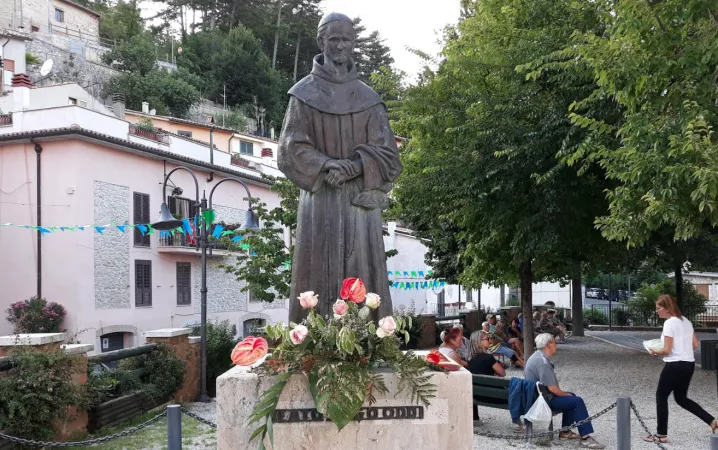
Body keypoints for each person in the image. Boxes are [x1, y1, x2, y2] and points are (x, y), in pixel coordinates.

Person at [279, 12, 403, 323]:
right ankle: (312, 343)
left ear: (353, 44)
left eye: (346, 39)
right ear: (321, 42)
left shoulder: (368, 98)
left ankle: (369, 342)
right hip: (320, 200)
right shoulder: (302, 94)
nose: (340, 45)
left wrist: (356, 165)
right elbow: (290, 149)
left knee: (363, 270)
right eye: (333, 39)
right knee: (317, 270)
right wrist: (327, 164)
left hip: (359, 204)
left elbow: (389, 156)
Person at [643, 295, 718, 444]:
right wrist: (680, 347)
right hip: (688, 364)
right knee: (681, 398)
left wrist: (655, 351)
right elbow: (695, 345)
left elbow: (668, 349)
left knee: (661, 396)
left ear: (668, 308)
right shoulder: (686, 321)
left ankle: (661, 434)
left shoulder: (669, 323)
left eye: (659, 308)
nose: (657, 311)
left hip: (674, 365)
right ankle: (712, 421)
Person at [524, 333, 606, 449]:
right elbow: (552, 388)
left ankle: (565, 432)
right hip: (541, 401)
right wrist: (565, 394)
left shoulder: (537, 356)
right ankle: (586, 437)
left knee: (571, 396)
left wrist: (567, 395)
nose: (556, 344)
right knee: (577, 401)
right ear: (548, 344)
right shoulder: (542, 362)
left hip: (535, 396)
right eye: (554, 342)